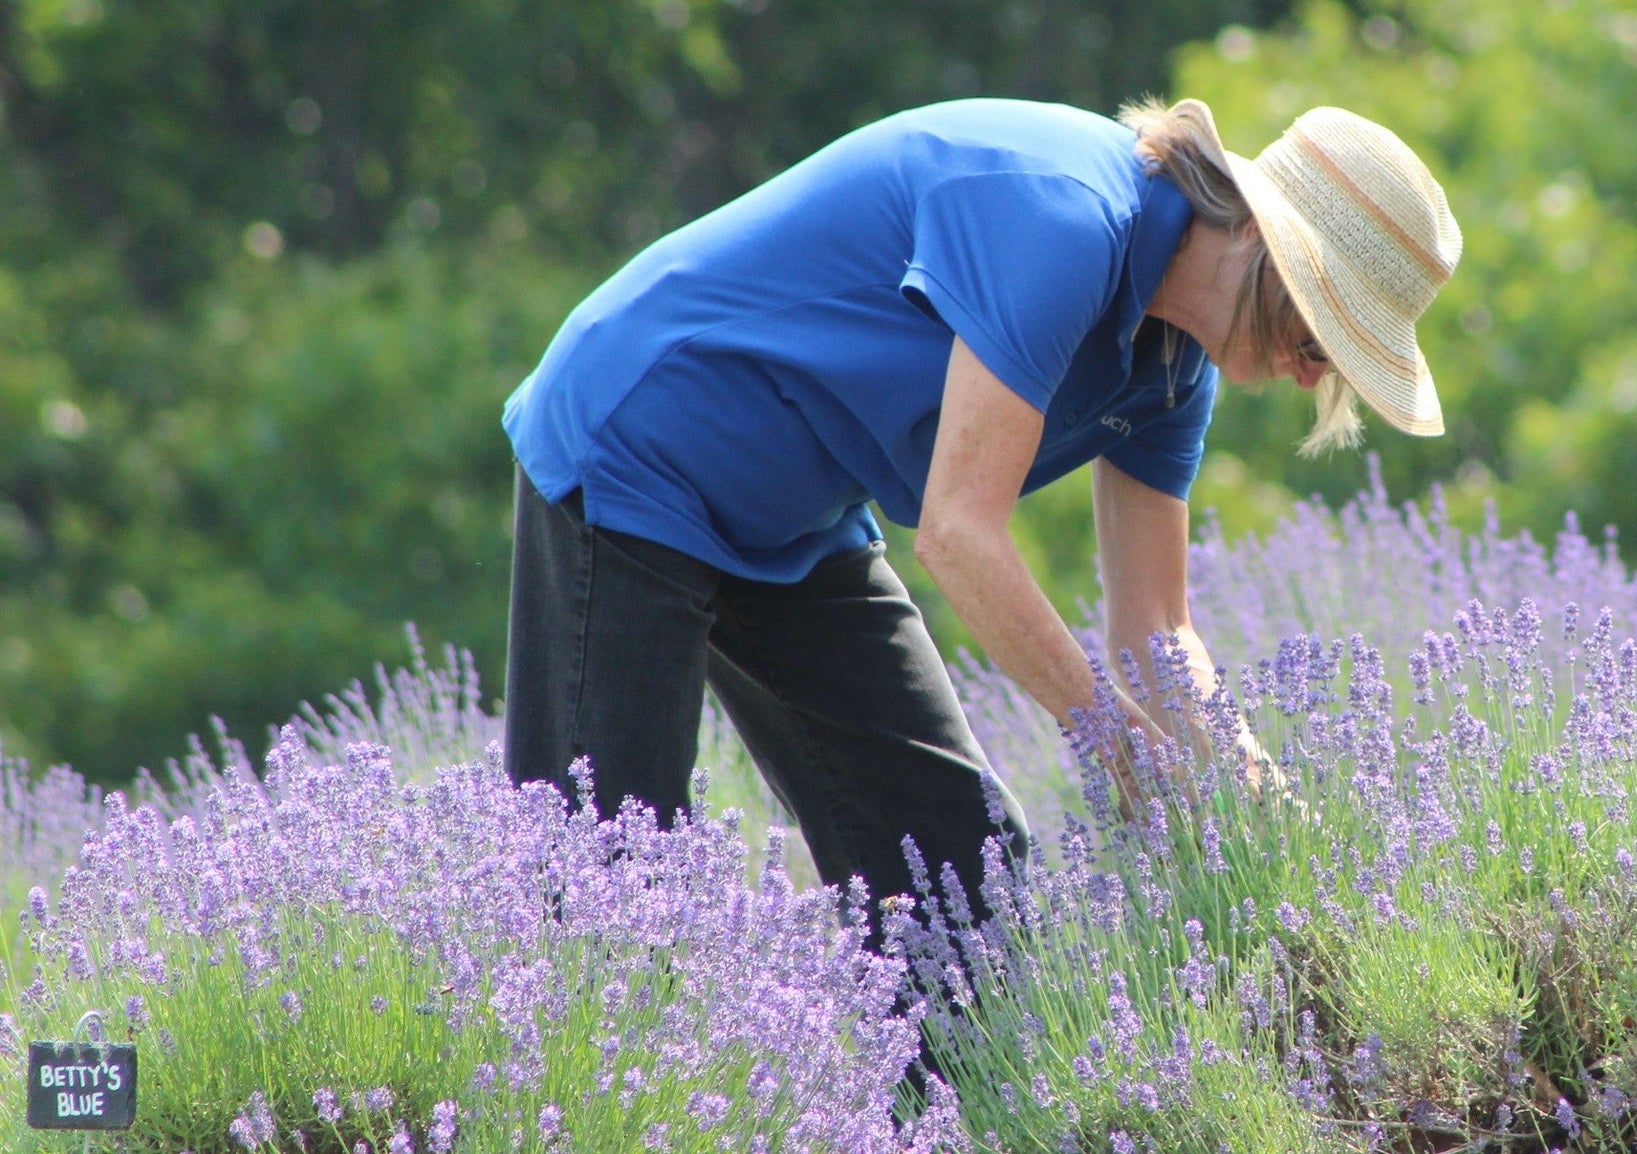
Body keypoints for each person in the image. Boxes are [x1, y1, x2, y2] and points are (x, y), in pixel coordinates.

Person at [499, 95, 1460, 927]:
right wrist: (1122, 751)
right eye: (1320, 326)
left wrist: (1267, 811)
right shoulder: (1066, 220)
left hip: (792, 516)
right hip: (638, 444)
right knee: (611, 901)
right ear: (1257, 232)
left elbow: (1158, 633)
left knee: (965, 887)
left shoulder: (1172, 372)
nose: (1312, 368)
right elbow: (958, 535)